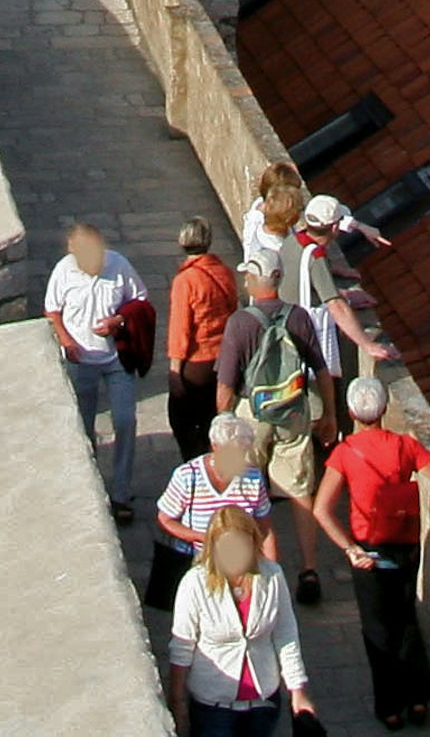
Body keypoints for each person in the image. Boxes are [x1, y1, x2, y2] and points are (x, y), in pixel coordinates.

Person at [309, 375, 430, 728]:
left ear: (351, 412)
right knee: (407, 620)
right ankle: (419, 699)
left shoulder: (345, 454)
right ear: (384, 409)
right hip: (406, 545)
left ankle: (390, 709)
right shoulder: (405, 446)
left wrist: (348, 548)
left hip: (369, 552)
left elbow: (321, 509)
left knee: (378, 631)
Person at [220, 253, 332, 603]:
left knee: (249, 493)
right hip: (293, 412)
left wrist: (221, 423)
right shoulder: (297, 317)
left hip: (251, 414)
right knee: (299, 492)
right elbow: (321, 370)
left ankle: (263, 570)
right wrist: (329, 413)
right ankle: (309, 570)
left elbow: (225, 385)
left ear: (253, 281)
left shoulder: (240, 323)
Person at [168, 510, 310, 735]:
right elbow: (182, 646)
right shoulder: (194, 583)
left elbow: (285, 634)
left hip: (263, 703)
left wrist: (298, 690)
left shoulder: (272, 576)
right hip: (212, 707)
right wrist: (177, 702)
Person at [46, 217, 145, 518]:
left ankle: (121, 493)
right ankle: (90, 490)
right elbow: (52, 310)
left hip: (116, 358)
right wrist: (67, 341)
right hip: (80, 362)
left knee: (125, 421)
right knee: (83, 428)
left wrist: (118, 322)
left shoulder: (119, 265)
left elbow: (139, 300)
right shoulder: (64, 271)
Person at [145, 410, 271, 614]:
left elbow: (265, 527)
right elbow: (165, 519)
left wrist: (271, 573)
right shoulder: (188, 476)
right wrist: (204, 537)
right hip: (197, 563)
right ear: (215, 447)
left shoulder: (253, 477)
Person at [284, 194, 394, 376]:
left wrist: (335, 274)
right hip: (301, 334)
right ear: (335, 228)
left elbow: (301, 277)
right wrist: (368, 345)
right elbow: (336, 307)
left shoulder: (292, 240)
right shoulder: (316, 259)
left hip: (285, 317)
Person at [166, 216, 238, 472]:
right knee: (213, 420)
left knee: (182, 421)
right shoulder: (224, 271)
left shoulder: (185, 281)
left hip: (197, 363)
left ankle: (196, 471)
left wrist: (175, 369)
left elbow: (180, 330)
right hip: (224, 358)